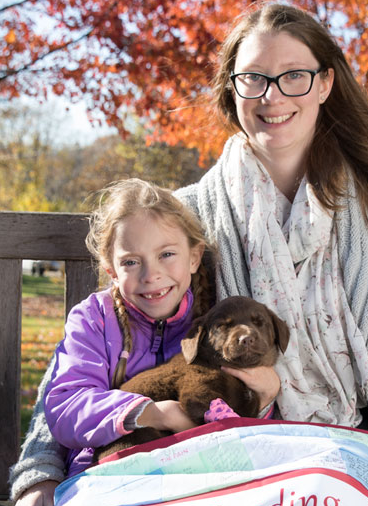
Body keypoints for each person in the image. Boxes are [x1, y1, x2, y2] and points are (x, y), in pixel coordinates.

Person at [9, 2, 368, 506]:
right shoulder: (185, 224)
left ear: (324, 83)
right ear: (231, 89)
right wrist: (40, 468)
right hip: (251, 450)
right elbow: (95, 339)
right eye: (254, 78)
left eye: (294, 75)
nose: (272, 95)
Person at [39, 178, 279, 479]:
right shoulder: (94, 320)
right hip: (114, 473)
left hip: (201, 475)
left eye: (166, 254)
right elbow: (66, 407)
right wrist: (155, 413)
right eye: (131, 262)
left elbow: (237, 402)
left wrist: (265, 401)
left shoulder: (216, 322)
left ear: (193, 257)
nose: (151, 275)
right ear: (112, 270)